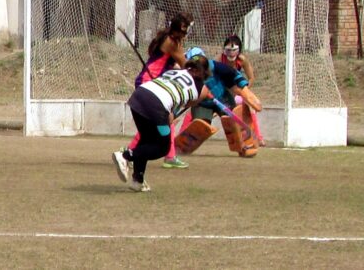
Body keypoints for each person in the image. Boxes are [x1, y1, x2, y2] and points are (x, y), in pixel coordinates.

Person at [112, 57, 211, 192]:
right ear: (202, 72)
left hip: (139, 96)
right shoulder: (199, 86)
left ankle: (138, 180)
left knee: (146, 139)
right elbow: (189, 102)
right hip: (156, 105)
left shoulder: (174, 71)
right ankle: (125, 156)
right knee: (163, 147)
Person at [127, 12, 193, 169]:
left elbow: (169, 63)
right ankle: (131, 152)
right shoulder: (173, 43)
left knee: (166, 119)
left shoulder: (167, 38)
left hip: (152, 81)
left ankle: (168, 155)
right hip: (151, 83)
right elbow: (186, 65)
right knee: (158, 122)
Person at [177, 47, 262, 156]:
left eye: (196, 66)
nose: (194, 71)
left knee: (233, 121)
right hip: (202, 104)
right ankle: (182, 148)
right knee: (201, 124)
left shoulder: (216, 67)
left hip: (223, 98)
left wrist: (245, 91)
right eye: (192, 67)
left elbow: (234, 75)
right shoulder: (186, 74)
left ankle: (245, 147)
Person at [219, 35, 265, 146]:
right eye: (228, 50)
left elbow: (251, 78)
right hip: (221, 93)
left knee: (251, 106)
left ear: (239, 50)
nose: (231, 53)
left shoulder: (242, 60)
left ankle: (258, 137)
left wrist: (244, 91)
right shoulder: (220, 59)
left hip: (236, 93)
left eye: (234, 50)